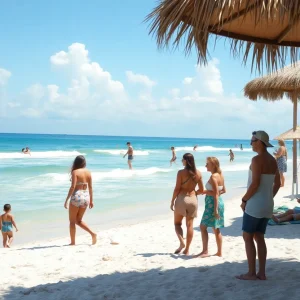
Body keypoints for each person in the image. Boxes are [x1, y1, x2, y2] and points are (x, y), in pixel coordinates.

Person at [236, 131, 280, 281]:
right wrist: (268, 197)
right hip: (267, 204)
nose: (250, 143)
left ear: (260, 142)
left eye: (253, 140)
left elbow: (255, 184)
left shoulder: (256, 160)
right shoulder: (273, 160)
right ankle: (262, 273)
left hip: (255, 204)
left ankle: (251, 273)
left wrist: (244, 200)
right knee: (259, 237)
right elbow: (278, 184)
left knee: (247, 236)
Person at [170, 153, 204, 255]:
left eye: (182, 160)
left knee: (177, 224)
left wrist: (172, 201)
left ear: (186, 161)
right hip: (193, 200)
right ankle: (187, 249)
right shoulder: (198, 173)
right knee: (190, 226)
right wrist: (194, 193)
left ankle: (182, 243)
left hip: (181, 199)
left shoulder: (180, 173)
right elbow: (202, 190)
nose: (181, 161)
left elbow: (177, 189)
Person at [64, 155, 97, 246]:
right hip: (86, 196)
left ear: (76, 162)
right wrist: (91, 200)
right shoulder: (88, 172)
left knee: (72, 222)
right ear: (84, 163)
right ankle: (92, 234)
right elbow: (90, 187)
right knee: (78, 220)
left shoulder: (75, 172)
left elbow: (73, 187)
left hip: (77, 196)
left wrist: (66, 200)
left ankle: (73, 242)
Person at [197, 157, 226, 257]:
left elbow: (216, 194)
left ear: (213, 165)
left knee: (203, 227)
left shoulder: (213, 177)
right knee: (216, 228)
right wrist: (210, 192)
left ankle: (205, 251)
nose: (205, 166)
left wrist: (215, 209)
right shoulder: (220, 175)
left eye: (207, 164)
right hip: (218, 203)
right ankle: (219, 252)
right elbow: (223, 191)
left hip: (213, 204)